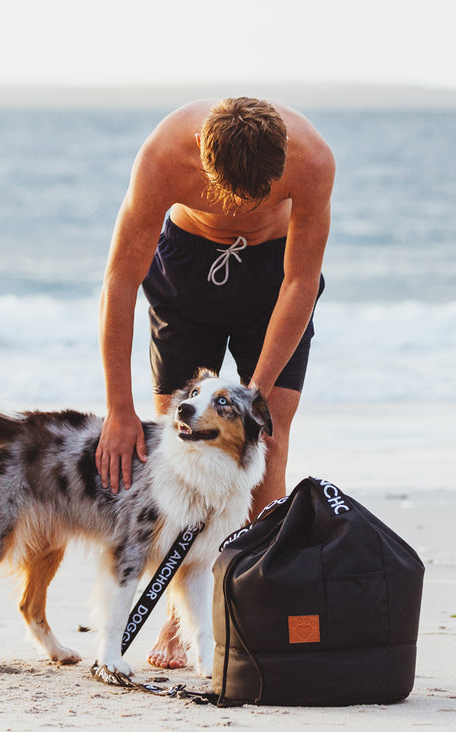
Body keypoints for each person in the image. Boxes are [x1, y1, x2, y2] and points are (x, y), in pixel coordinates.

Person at [95, 97, 333, 669]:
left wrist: (253, 399)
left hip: (273, 281)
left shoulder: (314, 160)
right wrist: (119, 410)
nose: (244, 207)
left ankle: (253, 614)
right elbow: (120, 283)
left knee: (268, 446)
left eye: (260, 196)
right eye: (233, 195)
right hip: (186, 275)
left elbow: (300, 283)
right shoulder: (162, 157)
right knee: (181, 458)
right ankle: (179, 628)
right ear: (203, 163)